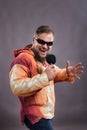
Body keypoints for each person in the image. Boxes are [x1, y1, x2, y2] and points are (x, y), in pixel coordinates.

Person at [9, 25, 84, 130]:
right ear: (33, 40)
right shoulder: (22, 59)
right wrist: (44, 78)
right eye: (41, 41)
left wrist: (66, 72)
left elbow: (54, 73)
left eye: (49, 43)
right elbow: (17, 86)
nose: (45, 46)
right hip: (35, 115)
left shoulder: (43, 58)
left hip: (47, 113)